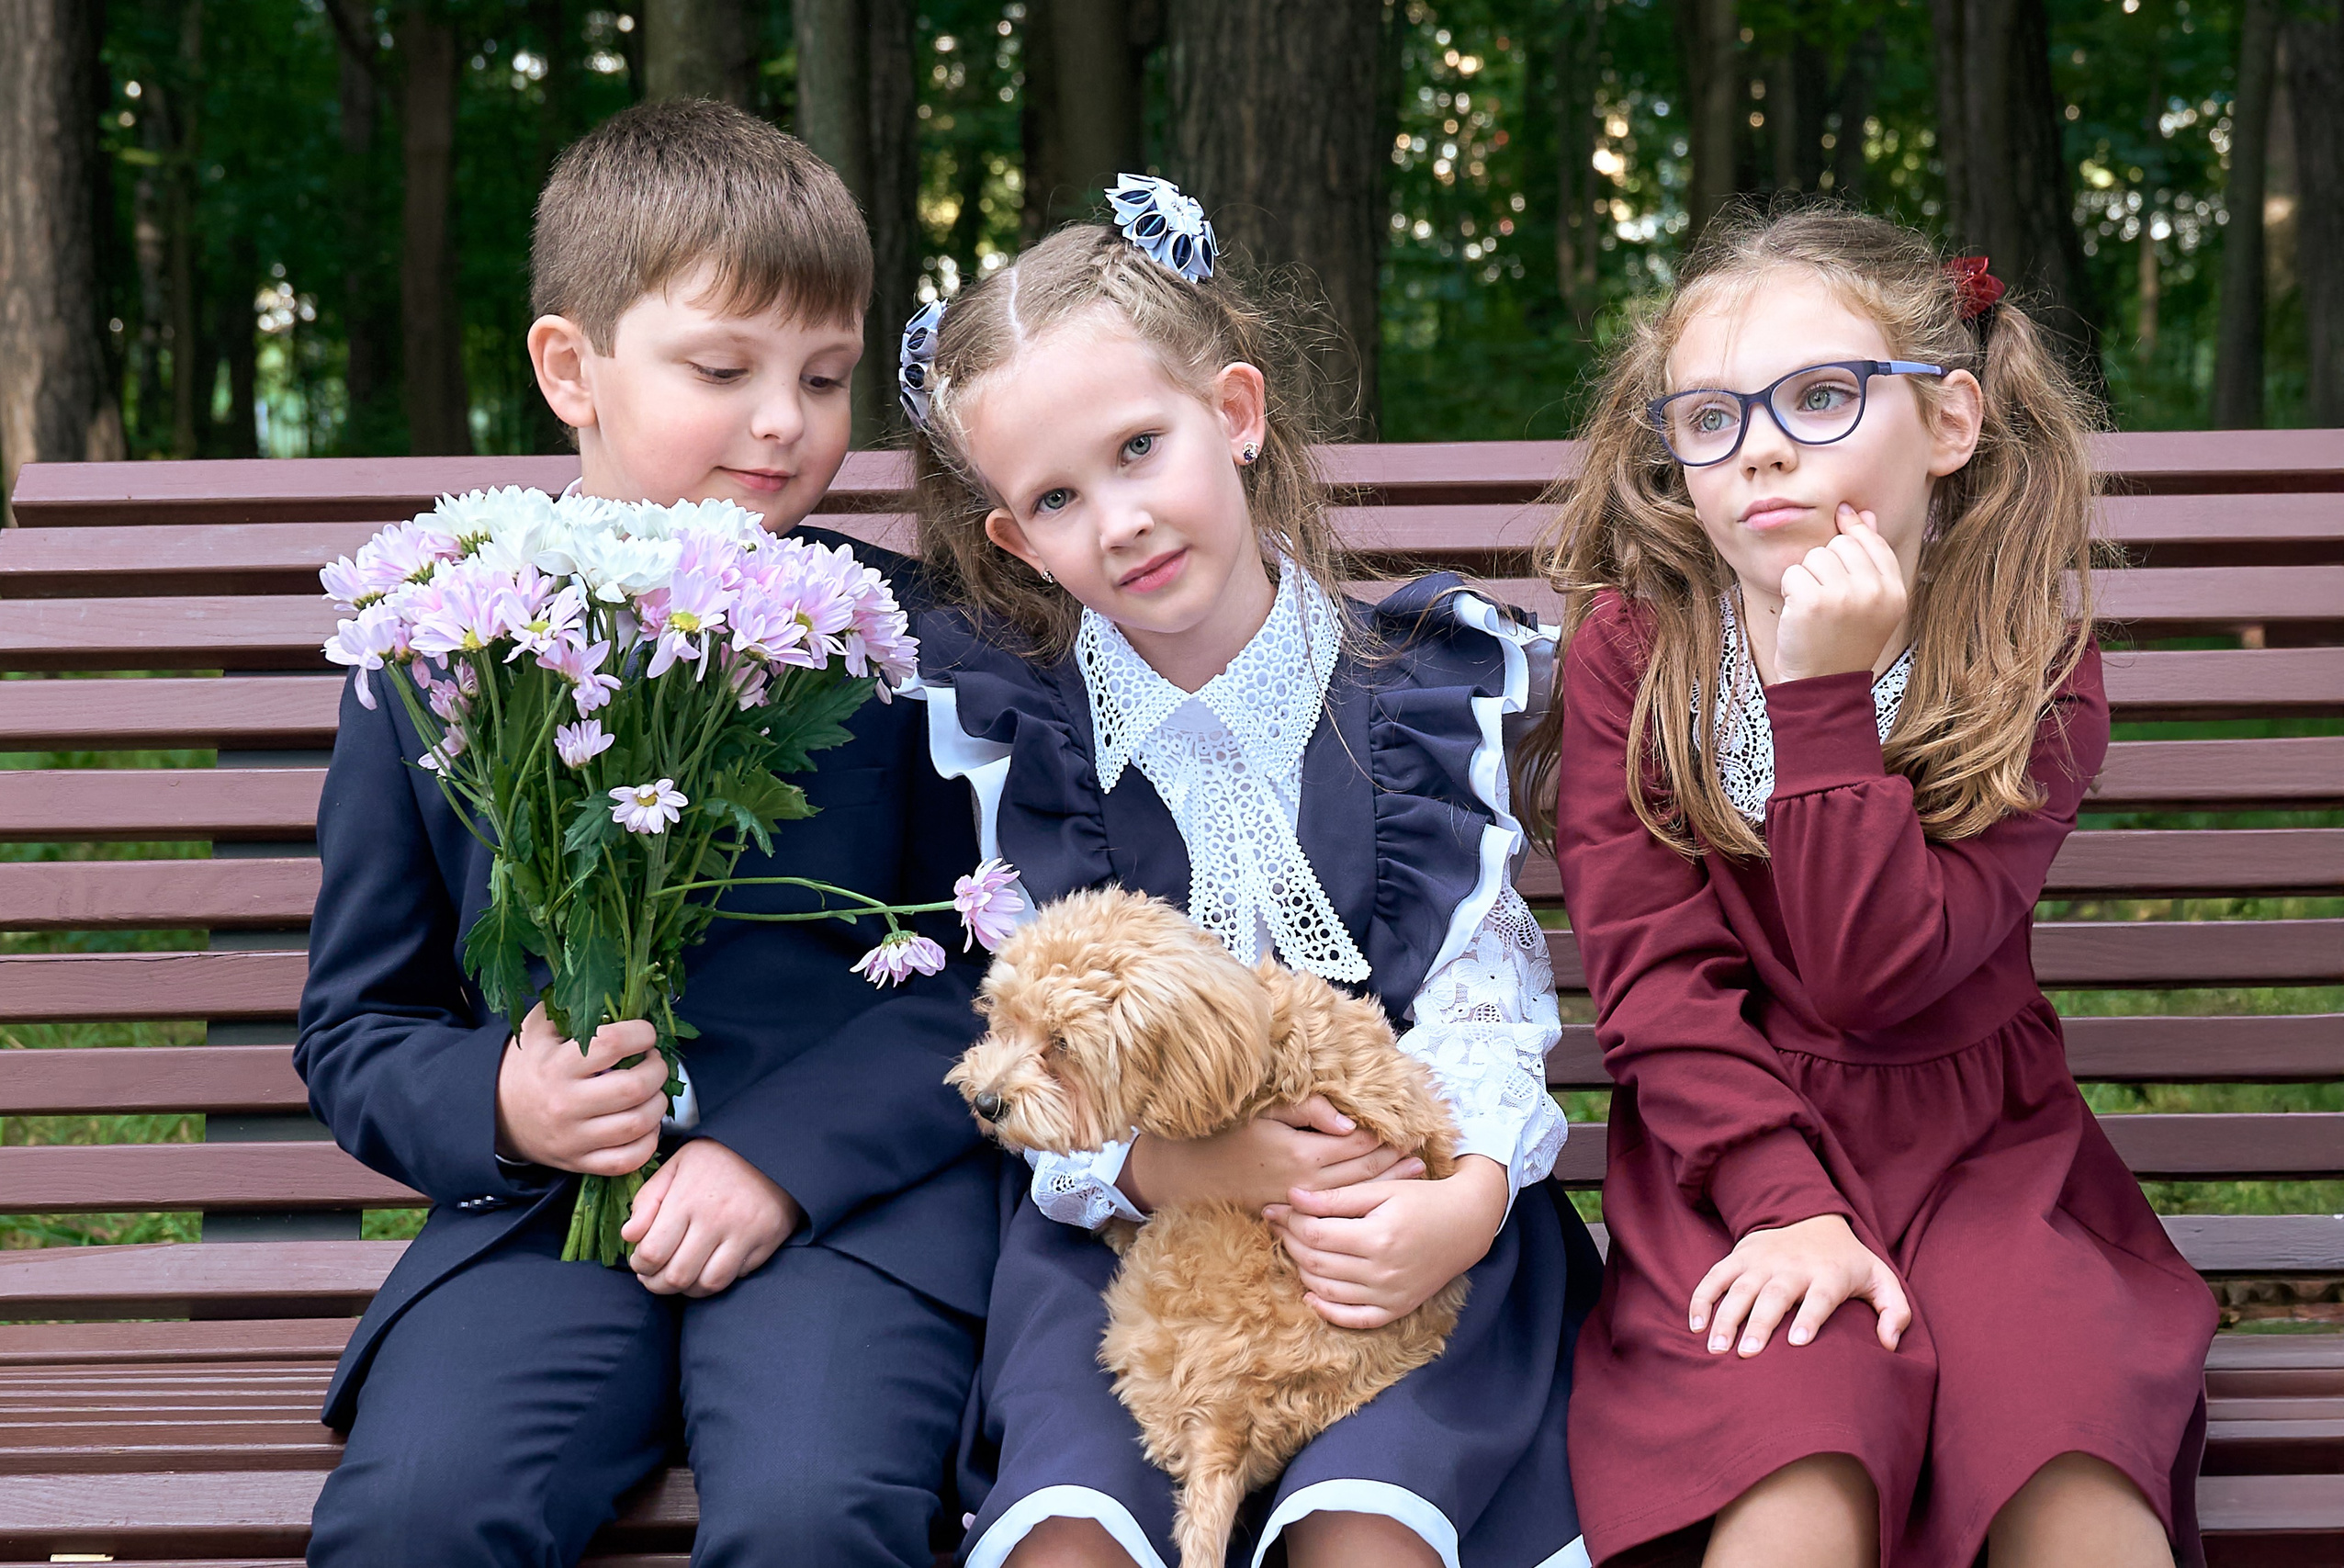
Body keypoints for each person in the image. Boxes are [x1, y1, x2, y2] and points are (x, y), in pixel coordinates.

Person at [298, 100, 997, 1567]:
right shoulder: (438, 650)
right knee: (420, 1515)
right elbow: (361, 1022)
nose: (784, 419)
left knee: (813, 1517)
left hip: (841, 1214)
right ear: (572, 368)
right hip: (542, 1223)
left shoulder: (906, 643)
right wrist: (504, 1100)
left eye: (825, 377)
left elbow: (992, 973)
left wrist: (783, 1158)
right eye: (723, 370)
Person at [903, 175, 1602, 1568]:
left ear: (1234, 412)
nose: (1119, 520)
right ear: (1016, 541)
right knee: (1078, 1539)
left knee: (1368, 1533)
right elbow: (1034, 1061)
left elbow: (1480, 1002)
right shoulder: (1025, 752)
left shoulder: (1416, 698)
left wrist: (1461, 1205)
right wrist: (1171, 1163)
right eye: (1057, 497)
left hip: (1403, 1218)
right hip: (1131, 1234)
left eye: (1139, 448)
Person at [1538, 204, 2217, 1568]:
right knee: (1803, 1452)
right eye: (1711, 418)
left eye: (1820, 398)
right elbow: (1657, 988)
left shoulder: (2028, 663)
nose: (1762, 448)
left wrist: (1822, 698)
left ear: (1949, 422)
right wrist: (1787, 1206)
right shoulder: (1636, 656)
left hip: (1984, 1156)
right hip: (1736, 1155)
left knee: (2061, 1452)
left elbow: (1872, 975)